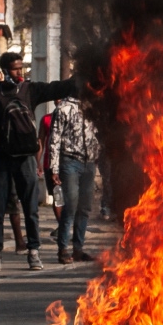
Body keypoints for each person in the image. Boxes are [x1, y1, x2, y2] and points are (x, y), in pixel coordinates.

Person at [0, 50, 74, 272]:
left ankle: (33, 252)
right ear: (4, 71)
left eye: (21, 68)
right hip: (1, 159)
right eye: (15, 69)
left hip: (26, 158)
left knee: (30, 209)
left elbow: (57, 88)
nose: (20, 72)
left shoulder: (30, 89)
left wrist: (84, 76)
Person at [49, 84, 100, 264]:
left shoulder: (92, 107)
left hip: (89, 162)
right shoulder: (63, 108)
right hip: (70, 161)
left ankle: (78, 249)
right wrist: (54, 168)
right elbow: (54, 140)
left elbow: (97, 135)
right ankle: (63, 249)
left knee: (84, 208)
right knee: (70, 206)